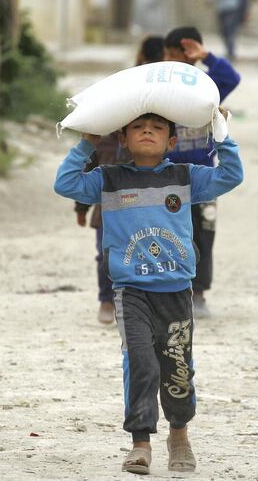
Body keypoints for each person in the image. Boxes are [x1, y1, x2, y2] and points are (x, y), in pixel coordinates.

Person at [54, 110, 244, 475]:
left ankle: (179, 435)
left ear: (172, 142)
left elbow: (231, 175)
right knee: (140, 362)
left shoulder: (186, 177)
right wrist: (88, 144)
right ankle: (140, 443)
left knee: (177, 368)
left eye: (157, 128)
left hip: (175, 291)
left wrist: (221, 135)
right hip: (131, 291)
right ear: (122, 139)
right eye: (138, 127)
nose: (146, 132)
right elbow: (65, 184)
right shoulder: (109, 180)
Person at [74, 36, 164, 324]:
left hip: (142, 204)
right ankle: (106, 300)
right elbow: (88, 166)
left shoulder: (147, 130)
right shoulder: (104, 139)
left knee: (135, 253)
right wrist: (81, 206)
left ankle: (133, 302)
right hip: (108, 205)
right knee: (106, 254)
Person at [164, 26, 241, 318]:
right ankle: (173, 291)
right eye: (170, 55)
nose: (175, 61)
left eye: (180, 55)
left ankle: (199, 293)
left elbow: (231, 78)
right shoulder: (163, 87)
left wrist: (206, 57)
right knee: (172, 234)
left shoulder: (207, 85)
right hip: (168, 177)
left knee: (203, 234)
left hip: (204, 179)